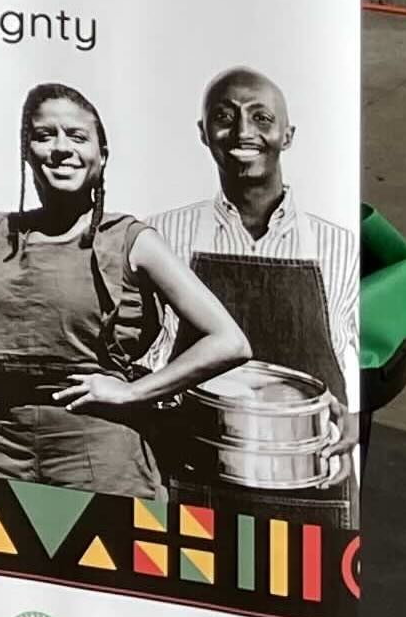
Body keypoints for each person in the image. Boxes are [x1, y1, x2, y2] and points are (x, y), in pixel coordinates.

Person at [0, 84, 250, 496]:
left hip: (101, 452)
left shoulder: (130, 240)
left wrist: (132, 392)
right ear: (28, 152)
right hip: (2, 448)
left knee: (104, 559)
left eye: (77, 136)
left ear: (102, 155)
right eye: (45, 136)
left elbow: (229, 341)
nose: (61, 148)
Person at [150, 66, 361, 408]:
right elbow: (141, 354)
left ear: (287, 135)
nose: (243, 132)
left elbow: (366, 364)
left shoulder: (342, 246)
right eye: (224, 116)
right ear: (204, 132)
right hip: (184, 446)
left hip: (305, 451)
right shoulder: (160, 235)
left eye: (261, 117)